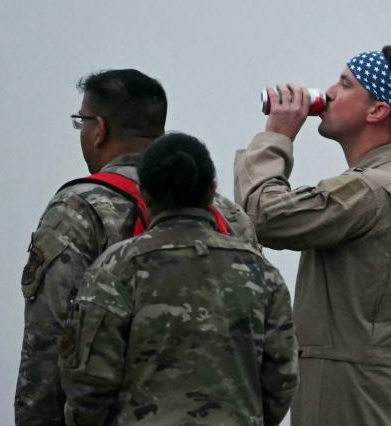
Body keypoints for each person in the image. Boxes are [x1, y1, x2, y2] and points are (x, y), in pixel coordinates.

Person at [15, 70, 258, 425]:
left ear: (99, 128)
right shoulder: (227, 215)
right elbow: (264, 341)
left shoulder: (79, 209)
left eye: (81, 122)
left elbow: (48, 338)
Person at [234, 45, 391, 425]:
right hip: (367, 397)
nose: (327, 92)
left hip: (354, 400)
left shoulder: (372, 190)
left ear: (377, 111)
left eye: (345, 84)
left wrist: (276, 137)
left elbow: (264, 217)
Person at [59, 132, 298, 425]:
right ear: (212, 191)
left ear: (144, 195)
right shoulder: (261, 272)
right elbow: (281, 380)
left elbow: (87, 385)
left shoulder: (116, 268)